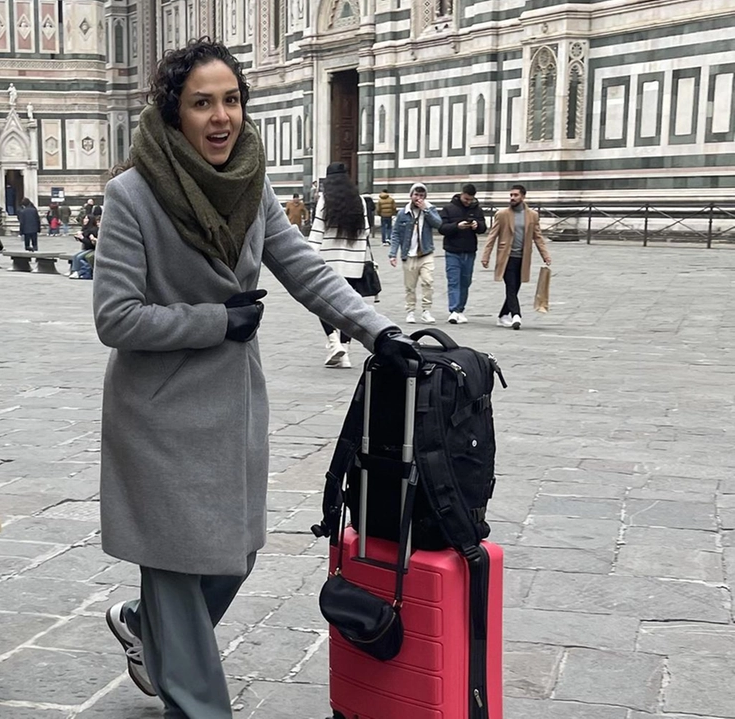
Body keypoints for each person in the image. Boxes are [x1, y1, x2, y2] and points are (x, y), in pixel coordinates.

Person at [93, 38, 418, 718]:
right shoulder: (132, 194)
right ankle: (192, 689)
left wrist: (378, 331)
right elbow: (116, 318)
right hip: (158, 419)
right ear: (174, 112)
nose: (220, 117)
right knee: (180, 572)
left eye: (231, 100)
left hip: (232, 411)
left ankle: (148, 627)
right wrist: (215, 320)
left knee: (233, 557)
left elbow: (305, 268)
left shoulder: (252, 184)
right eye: (201, 103)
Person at [307, 163, 372, 369]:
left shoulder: (325, 200)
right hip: (354, 265)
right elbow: (366, 231)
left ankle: (334, 342)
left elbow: (317, 230)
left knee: (323, 304)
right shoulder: (359, 200)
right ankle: (345, 350)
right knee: (349, 307)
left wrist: (309, 257)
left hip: (329, 263)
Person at [483, 184, 551, 330]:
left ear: (523, 196)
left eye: (515, 195)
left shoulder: (532, 215)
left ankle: (502, 316)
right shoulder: (502, 214)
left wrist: (545, 255)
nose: (512, 198)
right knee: (511, 286)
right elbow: (492, 236)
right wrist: (486, 256)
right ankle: (516, 315)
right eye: (511, 195)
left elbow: (537, 237)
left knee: (515, 287)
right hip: (506, 257)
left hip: (523, 258)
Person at [389, 182, 441, 325]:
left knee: (428, 281)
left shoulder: (430, 209)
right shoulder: (403, 213)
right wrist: (392, 254)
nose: (419, 198)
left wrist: (426, 210)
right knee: (410, 286)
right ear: (411, 195)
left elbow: (438, 224)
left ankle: (426, 311)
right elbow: (396, 234)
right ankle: (410, 311)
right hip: (409, 254)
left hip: (426, 253)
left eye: (422, 195)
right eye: (416, 195)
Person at [439, 183, 486, 324]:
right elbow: (441, 227)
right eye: (466, 199)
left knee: (465, 281)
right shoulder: (448, 208)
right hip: (452, 250)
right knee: (454, 280)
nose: (468, 202)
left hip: (469, 250)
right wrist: (456, 226)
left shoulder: (477, 209)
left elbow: (483, 227)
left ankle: (460, 309)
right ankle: (453, 310)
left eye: (470, 199)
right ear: (461, 194)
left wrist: (477, 225)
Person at [70, 214, 97, 279]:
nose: (85, 220)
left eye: (87, 219)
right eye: (84, 218)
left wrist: (82, 238)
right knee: (75, 256)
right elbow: (84, 241)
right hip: (86, 248)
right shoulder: (85, 228)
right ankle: (74, 271)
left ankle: (78, 272)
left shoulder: (94, 230)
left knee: (79, 257)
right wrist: (78, 237)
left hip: (92, 249)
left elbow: (90, 243)